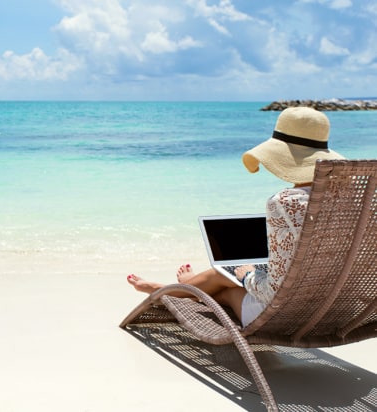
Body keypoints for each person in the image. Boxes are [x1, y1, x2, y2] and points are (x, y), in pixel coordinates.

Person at [127, 106, 345, 327]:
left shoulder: (287, 202)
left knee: (229, 288)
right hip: (336, 309)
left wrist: (248, 276)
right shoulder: (355, 201)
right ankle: (187, 286)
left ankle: (174, 291)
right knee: (223, 273)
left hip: (284, 316)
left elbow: (272, 294)